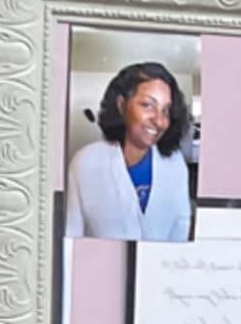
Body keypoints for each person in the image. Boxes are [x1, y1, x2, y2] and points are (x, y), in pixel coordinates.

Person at [64, 61, 195, 242]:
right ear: (121, 105)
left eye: (165, 110)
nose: (159, 121)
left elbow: (181, 227)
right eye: (148, 105)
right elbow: (71, 239)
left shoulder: (174, 163)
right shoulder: (84, 163)